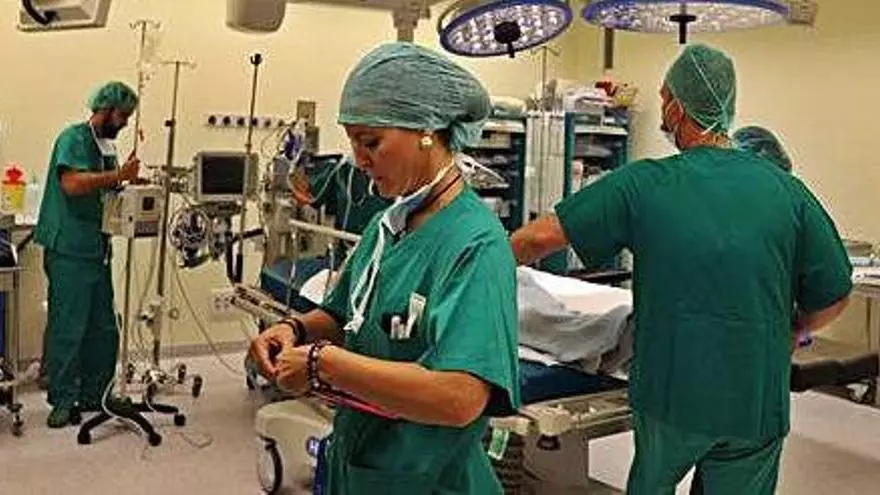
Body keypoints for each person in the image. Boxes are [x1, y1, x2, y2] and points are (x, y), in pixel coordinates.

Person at [509, 44, 852, 494]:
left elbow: (537, 239)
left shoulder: (645, 183)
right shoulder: (788, 192)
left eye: (663, 99)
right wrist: (795, 330)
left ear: (676, 106)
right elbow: (834, 294)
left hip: (672, 397)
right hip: (755, 399)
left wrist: (472, 265)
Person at [249, 42, 520, 494]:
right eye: (353, 142)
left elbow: (460, 397)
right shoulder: (386, 226)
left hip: (429, 479)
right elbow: (345, 316)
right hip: (363, 466)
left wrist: (322, 364)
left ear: (426, 128)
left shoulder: (476, 244)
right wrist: (294, 330)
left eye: (371, 141)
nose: (359, 160)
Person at [35, 81, 141, 428]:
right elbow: (72, 184)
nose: (124, 123)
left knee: (103, 327)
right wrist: (117, 175)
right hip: (69, 249)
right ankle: (63, 399)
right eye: (122, 116)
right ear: (106, 109)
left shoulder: (105, 148)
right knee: (69, 326)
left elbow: (105, 188)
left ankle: (97, 393)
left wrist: (127, 186)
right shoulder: (72, 138)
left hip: (97, 249)